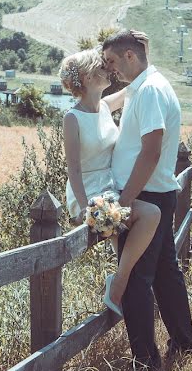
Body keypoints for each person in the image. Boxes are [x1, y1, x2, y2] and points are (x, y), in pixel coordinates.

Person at [101, 28, 192, 371]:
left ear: (129, 56)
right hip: (155, 191)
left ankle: (144, 360)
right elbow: (109, 100)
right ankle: (183, 342)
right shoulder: (143, 85)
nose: (110, 69)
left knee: (139, 277)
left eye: (112, 61)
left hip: (147, 194)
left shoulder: (151, 91)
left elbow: (151, 151)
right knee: (165, 271)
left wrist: (125, 202)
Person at [59, 36, 161, 319]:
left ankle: (120, 285)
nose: (109, 71)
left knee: (144, 222)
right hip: (90, 191)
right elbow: (74, 170)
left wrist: (138, 49)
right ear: (89, 77)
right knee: (149, 214)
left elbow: (135, 87)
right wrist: (84, 208)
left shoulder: (104, 106)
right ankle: (121, 286)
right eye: (103, 68)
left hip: (110, 186)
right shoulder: (72, 118)